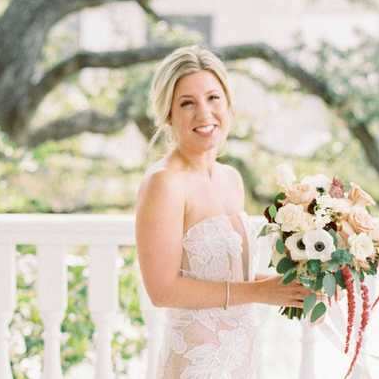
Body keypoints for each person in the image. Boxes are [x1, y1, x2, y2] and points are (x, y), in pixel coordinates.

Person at [135, 45, 317, 378]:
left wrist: (286, 286)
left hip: (243, 355)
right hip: (196, 361)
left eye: (213, 98)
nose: (204, 113)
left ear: (228, 105)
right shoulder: (164, 184)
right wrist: (260, 292)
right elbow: (162, 290)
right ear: (168, 114)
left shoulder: (231, 178)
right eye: (187, 103)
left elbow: (232, 277)